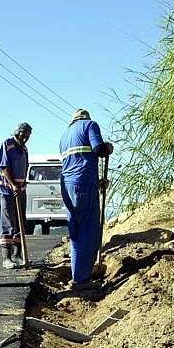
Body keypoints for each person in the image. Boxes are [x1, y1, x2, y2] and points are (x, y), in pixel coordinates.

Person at [59, 109, 112, 289]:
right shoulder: (90, 125)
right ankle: (81, 280)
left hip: (68, 187)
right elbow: (98, 149)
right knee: (89, 232)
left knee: (76, 233)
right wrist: (107, 148)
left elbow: (75, 164)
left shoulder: (64, 136)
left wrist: (96, 182)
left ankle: (78, 275)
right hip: (83, 186)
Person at [0, 122, 32, 269]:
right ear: (18, 132)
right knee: (9, 222)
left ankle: (17, 255)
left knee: (20, 222)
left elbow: (26, 167)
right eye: (23, 134)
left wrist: (21, 186)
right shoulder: (8, 144)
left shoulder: (24, 149)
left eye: (28, 135)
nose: (25, 137)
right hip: (6, 189)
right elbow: (4, 167)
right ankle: (6, 258)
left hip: (20, 189)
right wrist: (12, 185)